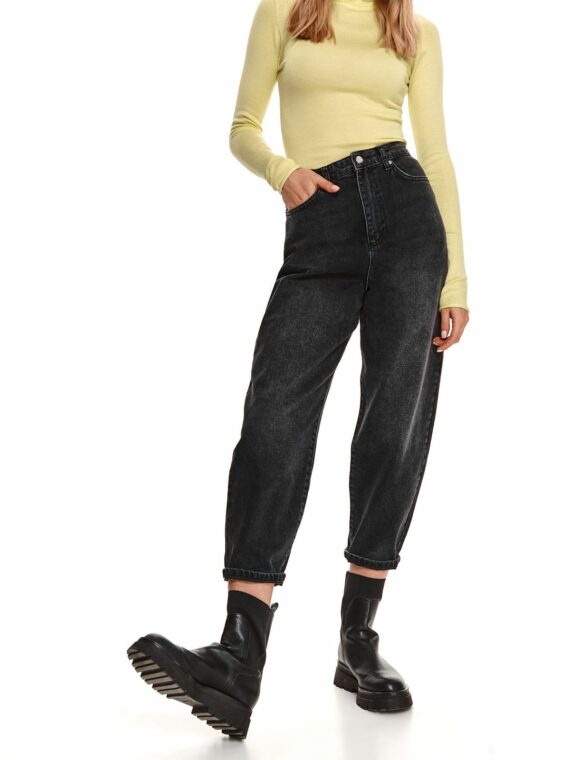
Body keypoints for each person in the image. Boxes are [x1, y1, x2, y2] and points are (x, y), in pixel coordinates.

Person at [126, 0, 470, 741]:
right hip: (321, 222)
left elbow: (437, 155)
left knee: (393, 427)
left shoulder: (416, 31)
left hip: (410, 225)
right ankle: (238, 656)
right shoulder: (286, 12)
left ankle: (358, 640)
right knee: (274, 418)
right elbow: (243, 126)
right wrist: (282, 173)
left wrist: (457, 281)